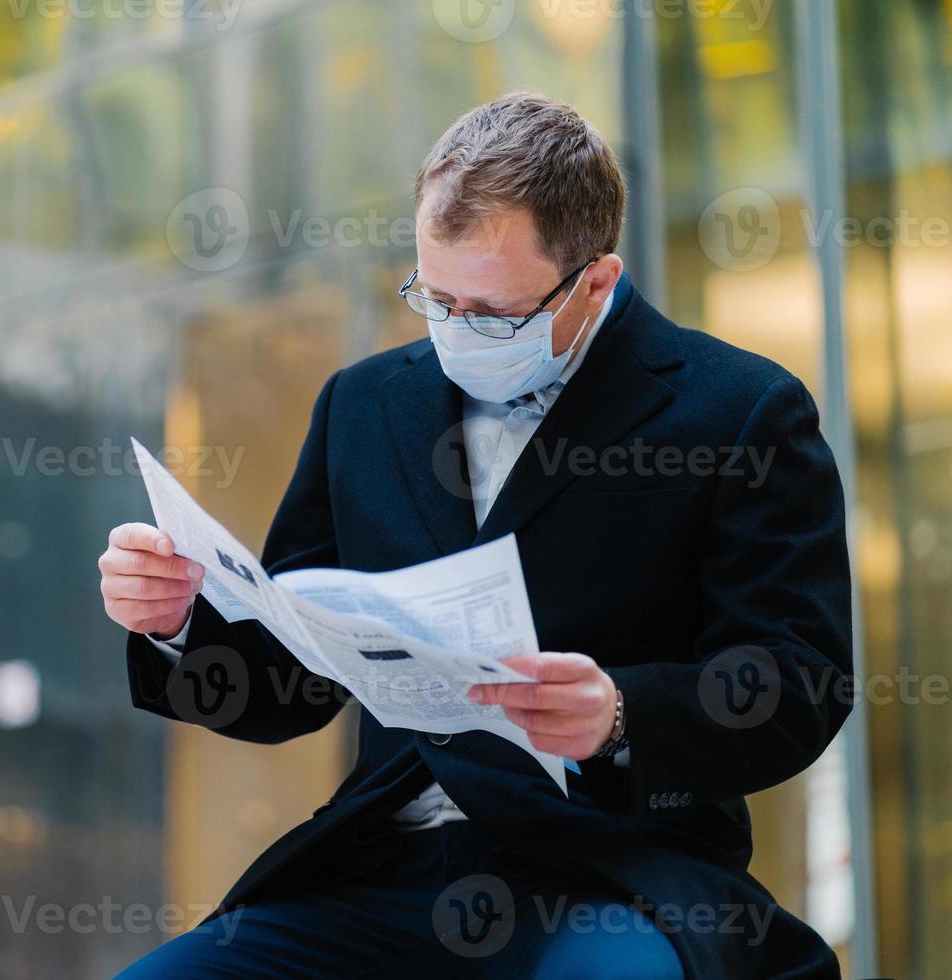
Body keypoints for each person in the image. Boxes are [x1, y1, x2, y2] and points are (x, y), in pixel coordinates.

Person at [97, 91, 852, 978]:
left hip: (613, 869)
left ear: (596, 281)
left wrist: (617, 715)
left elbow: (798, 681)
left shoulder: (739, 412)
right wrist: (179, 622)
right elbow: (291, 685)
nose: (455, 332)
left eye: (494, 316)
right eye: (433, 296)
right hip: (381, 864)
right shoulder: (364, 403)